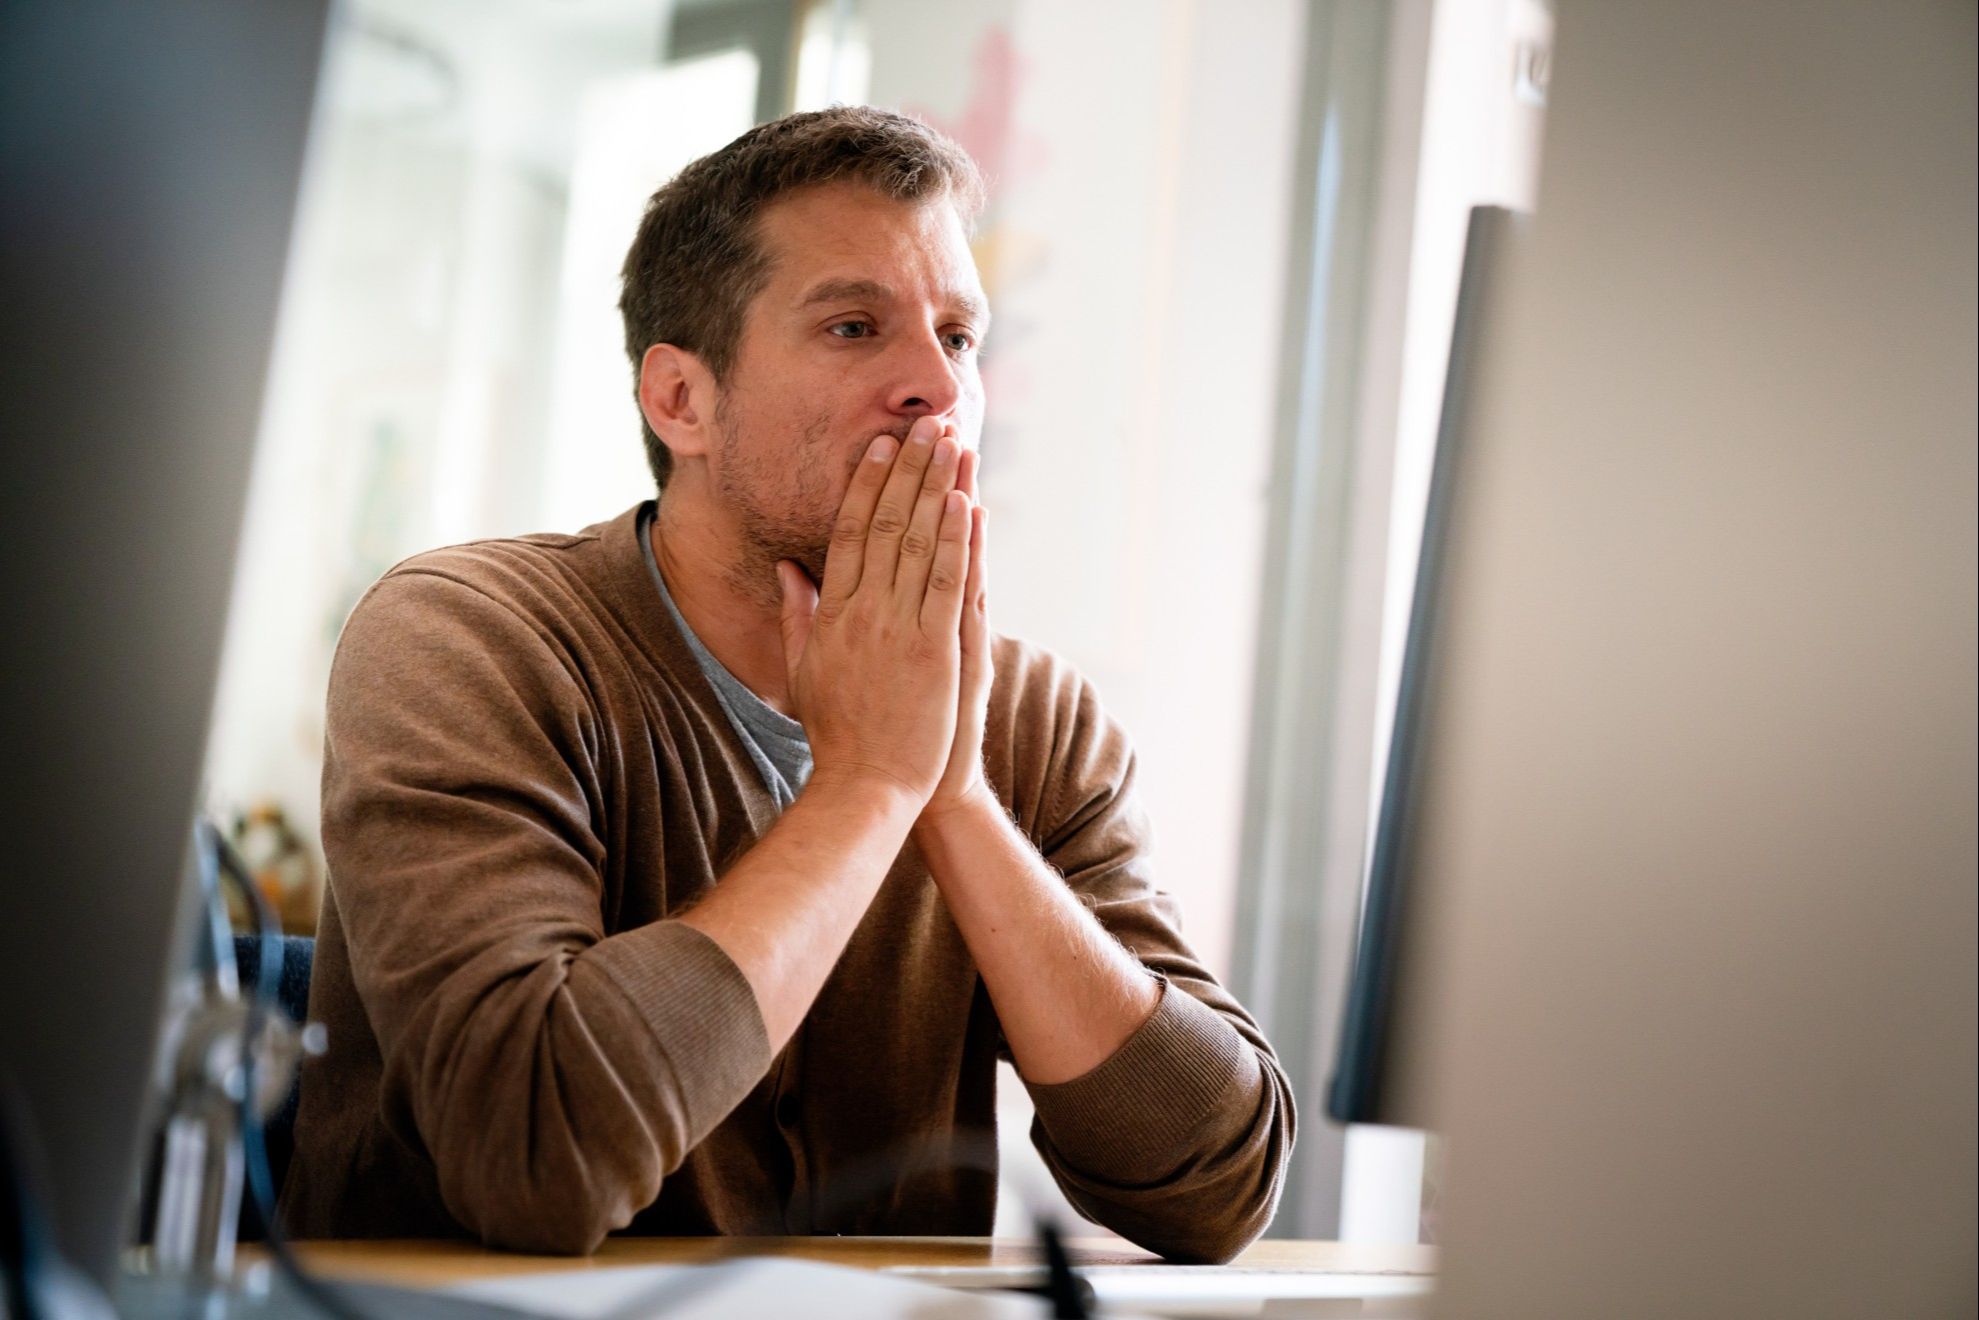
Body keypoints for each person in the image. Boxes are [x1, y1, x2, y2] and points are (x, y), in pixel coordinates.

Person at [280, 106, 1294, 1263]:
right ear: (681, 401)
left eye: (958, 336)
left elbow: (1217, 1190)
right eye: (853, 326)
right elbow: (529, 1154)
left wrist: (953, 795)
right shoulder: (469, 637)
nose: (935, 386)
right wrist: (867, 787)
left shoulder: (1032, 720)